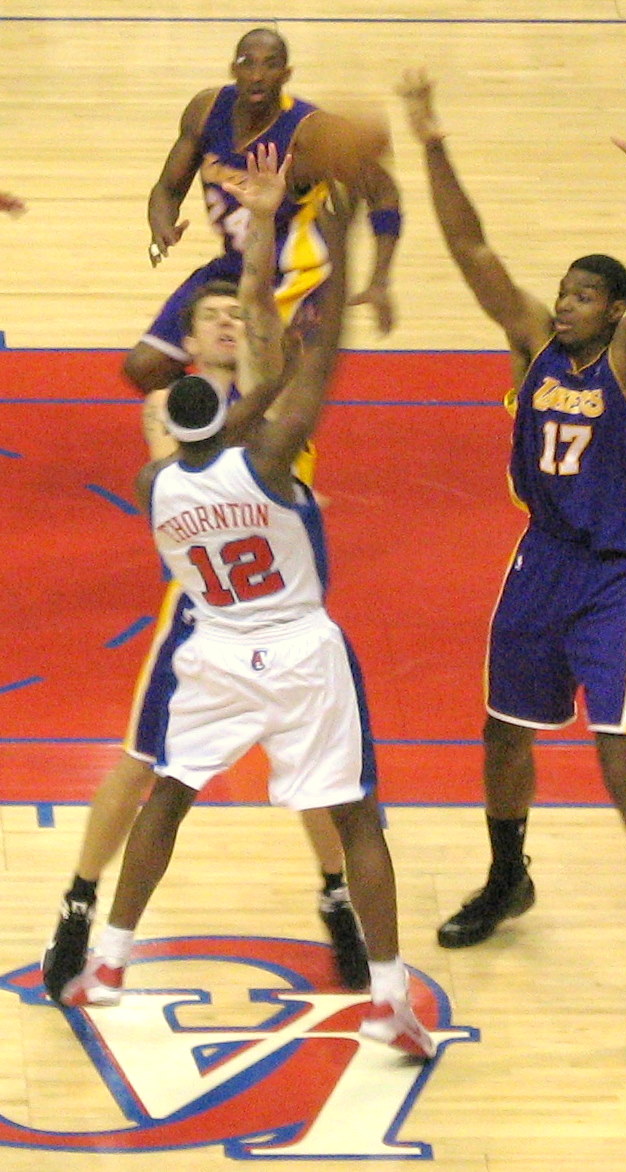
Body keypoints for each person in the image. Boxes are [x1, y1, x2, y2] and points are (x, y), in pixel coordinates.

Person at [57, 143, 435, 1060]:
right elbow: (304, 380)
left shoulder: (156, 484)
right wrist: (339, 252)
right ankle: (386, 997)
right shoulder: (267, 456)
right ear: (225, 409)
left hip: (213, 646)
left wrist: (264, 229)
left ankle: (108, 958)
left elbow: (227, 409)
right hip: (297, 647)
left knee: (171, 793)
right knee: (356, 814)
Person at [398, 69, 626, 1048]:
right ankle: (509, 874)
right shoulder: (529, 349)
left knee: (624, 764)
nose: (567, 303)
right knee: (502, 733)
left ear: (617, 311)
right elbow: (470, 248)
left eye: (587, 294)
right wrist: (433, 145)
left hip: (622, 573)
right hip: (542, 557)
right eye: (566, 292)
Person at [42, 282, 368, 1002]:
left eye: (235, 316)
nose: (225, 324)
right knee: (140, 766)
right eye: (207, 318)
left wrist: (261, 236)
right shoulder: (172, 406)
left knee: (315, 774)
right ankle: (78, 904)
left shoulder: (274, 400)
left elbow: (263, 328)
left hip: (285, 613)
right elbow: (187, 466)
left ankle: (336, 895)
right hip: (203, 619)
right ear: (185, 344)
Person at [124, 24, 401, 395]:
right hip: (235, 265)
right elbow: (168, 188)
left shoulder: (311, 131)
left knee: (258, 396)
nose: (257, 75)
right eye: (247, 63)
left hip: (296, 278)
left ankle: (239, 436)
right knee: (146, 367)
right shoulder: (206, 111)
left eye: (270, 65)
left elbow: (384, 192)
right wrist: (161, 226)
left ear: (285, 75)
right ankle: (207, 423)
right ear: (232, 68)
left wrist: (380, 279)